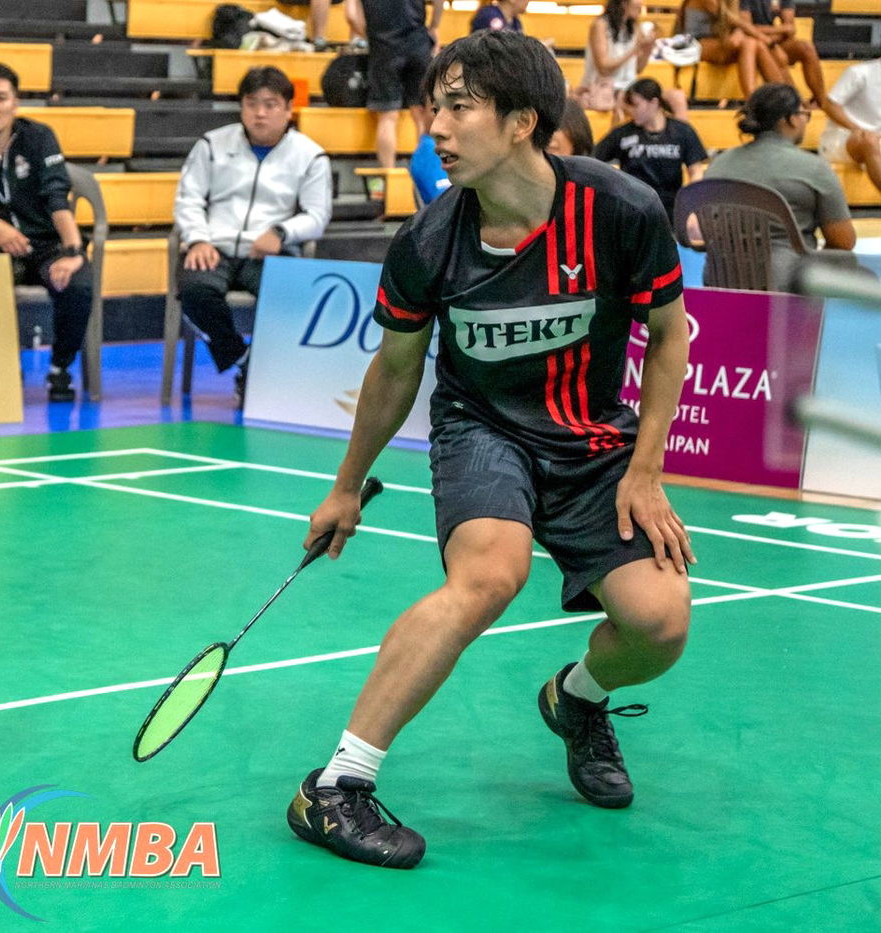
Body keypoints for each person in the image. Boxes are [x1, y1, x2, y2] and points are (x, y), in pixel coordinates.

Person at [287, 30, 694, 870]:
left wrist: (646, 468)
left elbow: (667, 336)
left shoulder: (620, 210)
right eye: (436, 105)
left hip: (590, 439)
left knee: (659, 623)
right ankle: (336, 785)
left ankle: (577, 700)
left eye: (458, 106)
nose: (436, 125)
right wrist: (345, 486)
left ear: (521, 122)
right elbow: (395, 370)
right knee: (489, 575)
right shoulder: (430, 241)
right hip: (484, 429)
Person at [173, 66, 332, 404]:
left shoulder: (310, 155)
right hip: (213, 247)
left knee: (288, 295)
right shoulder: (212, 144)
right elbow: (188, 198)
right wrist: (198, 237)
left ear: (289, 109)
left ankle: (261, 371)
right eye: (251, 103)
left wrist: (282, 231)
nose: (260, 113)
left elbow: (318, 216)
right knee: (195, 291)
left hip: (268, 251)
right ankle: (245, 362)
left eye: (270, 104)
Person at [0, 63, 92, 403]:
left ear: (15, 103)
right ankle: (2, 366)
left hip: (49, 244)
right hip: (0, 247)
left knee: (78, 285)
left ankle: (60, 368)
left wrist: (73, 252)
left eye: (0, 98)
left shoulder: (39, 138)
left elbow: (58, 199)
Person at [704, 83, 855, 287]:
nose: (805, 120)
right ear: (790, 119)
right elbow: (844, 242)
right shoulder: (813, 169)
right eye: (804, 113)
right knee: (851, 264)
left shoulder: (718, 165)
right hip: (786, 288)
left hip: (720, 280)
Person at [593, 77, 708, 218]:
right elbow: (594, 159)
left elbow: (696, 171)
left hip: (671, 210)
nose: (631, 111)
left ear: (654, 103)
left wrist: (691, 205)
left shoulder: (682, 132)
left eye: (636, 105)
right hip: (632, 208)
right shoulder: (623, 134)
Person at [362, 0, 444, 170]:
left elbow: (351, 14)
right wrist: (434, 26)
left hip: (383, 44)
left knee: (387, 116)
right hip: (418, 41)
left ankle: (389, 175)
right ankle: (425, 173)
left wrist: (370, 35)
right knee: (421, 113)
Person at [577, 0, 689, 120]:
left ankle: (682, 137)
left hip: (630, 88)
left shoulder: (635, 26)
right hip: (607, 88)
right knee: (647, 108)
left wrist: (648, 49)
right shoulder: (600, 25)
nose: (641, 3)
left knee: (677, 97)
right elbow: (604, 68)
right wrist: (634, 49)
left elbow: (637, 69)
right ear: (623, 3)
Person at [677, 0, 781, 97]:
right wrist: (763, 38)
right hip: (695, 44)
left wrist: (738, 33)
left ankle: (782, 96)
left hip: (719, 41)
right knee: (750, 43)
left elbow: (735, 26)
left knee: (756, 45)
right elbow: (730, 20)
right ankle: (751, 99)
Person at [740, 0, 827, 107]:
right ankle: (794, 104)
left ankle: (821, 101)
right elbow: (745, 28)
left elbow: (790, 29)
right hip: (751, 42)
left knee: (806, 48)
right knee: (775, 54)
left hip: (772, 39)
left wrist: (772, 40)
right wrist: (778, 32)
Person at [819, 57, 881, 195]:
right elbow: (829, 105)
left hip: (876, 139)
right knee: (869, 140)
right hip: (841, 138)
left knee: (872, 140)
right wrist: (855, 129)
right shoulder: (859, 72)